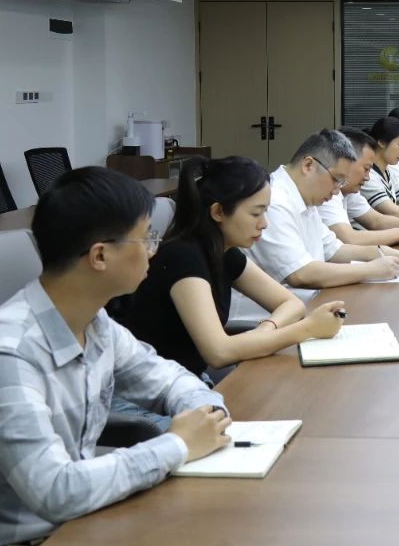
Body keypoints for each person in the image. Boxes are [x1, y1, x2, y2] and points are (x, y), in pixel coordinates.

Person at [0, 168, 231, 546]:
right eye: (146, 238)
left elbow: (169, 379)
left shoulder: (95, 324)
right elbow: (55, 491)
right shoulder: (5, 354)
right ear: (100, 256)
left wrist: (206, 413)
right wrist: (177, 445)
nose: (154, 250)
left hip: (68, 528)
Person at [122, 154, 350, 387]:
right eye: (255, 213)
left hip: (187, 383)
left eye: (265, 212)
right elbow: (218, 353)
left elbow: (291, 303)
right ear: (218, 212)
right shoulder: (183, 258)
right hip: (153, 392)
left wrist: (266, 329)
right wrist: (307, 329)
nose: (264, 223)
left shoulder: (225, 252)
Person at [321, 126, 399, 246]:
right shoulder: (328, 192)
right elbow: (349, 238)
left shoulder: (349, 190)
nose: (367, 177)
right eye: (366, 169)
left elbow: (376, 220)